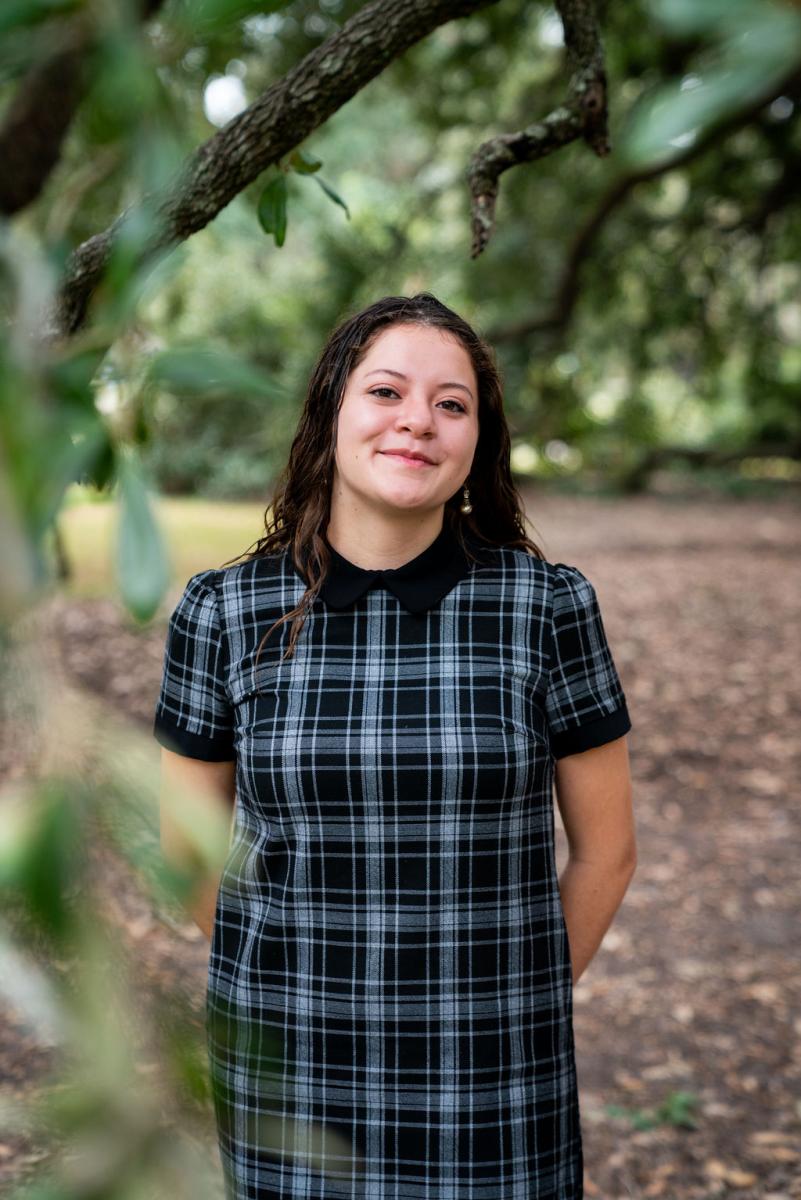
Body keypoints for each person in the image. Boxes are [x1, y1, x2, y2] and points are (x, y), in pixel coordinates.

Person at [153, 292, 636, 1200]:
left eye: (452, 404)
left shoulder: (545, 606)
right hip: (287, 1074)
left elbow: (606, 852)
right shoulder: (223, 611)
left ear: (477, 441)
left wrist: (512, 1005)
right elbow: (187, 847)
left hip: (492, 1074)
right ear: (330, 411)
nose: (418, 420)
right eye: (386, 391)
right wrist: (290, 987)